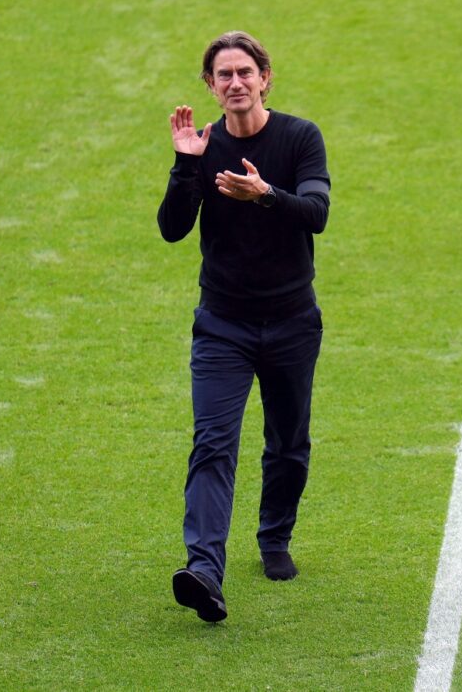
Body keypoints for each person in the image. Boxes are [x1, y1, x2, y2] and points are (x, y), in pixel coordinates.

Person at [157, 31, 331, 622]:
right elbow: (172, 229)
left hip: (291, 323)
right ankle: (204, 570)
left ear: (265, 78)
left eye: (244, 72)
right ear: (210, 86)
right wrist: (186, 166)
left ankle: (274, 536)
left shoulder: (300, 137)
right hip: (222, 326)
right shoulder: (203, 147)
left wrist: (264, 195)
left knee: (288, 444)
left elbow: (317, 213)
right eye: (222, 75)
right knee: (213, 443)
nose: (234, 83)